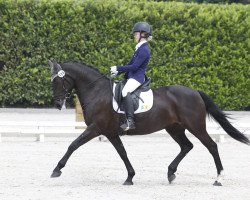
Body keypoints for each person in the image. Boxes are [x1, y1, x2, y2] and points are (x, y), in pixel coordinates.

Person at [110, 21, 152, 131]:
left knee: (125, 91)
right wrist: (118, 72)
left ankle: (130, 121)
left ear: (142, 34)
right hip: (132, 76)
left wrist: (118, 67)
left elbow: (134, 67)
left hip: (137, 78)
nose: (134, 35)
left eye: (136, 33)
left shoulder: (144, 50)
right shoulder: (139, 48)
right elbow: (129, 65)